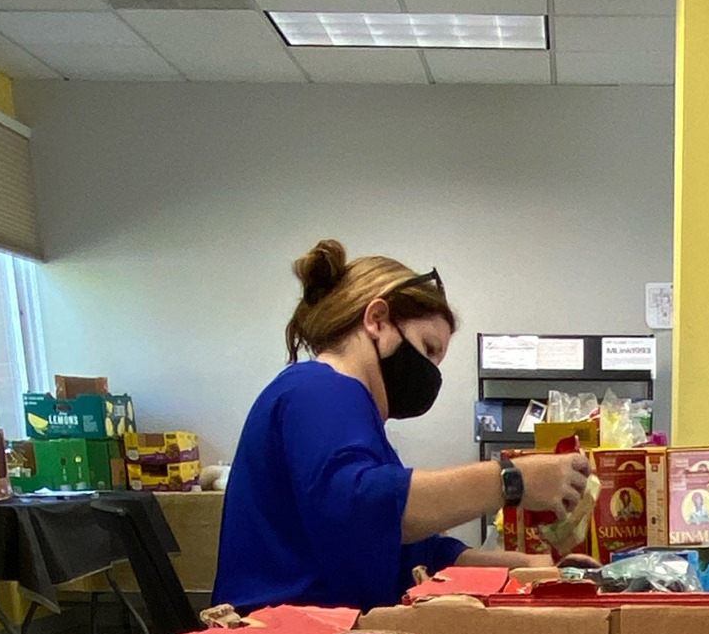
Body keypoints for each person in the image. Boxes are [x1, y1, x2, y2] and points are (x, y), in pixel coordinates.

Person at [213, 243, 590, 613]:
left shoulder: (349, 412)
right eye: (428, 349)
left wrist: (525, 567)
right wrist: (512, 481)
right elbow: (361, 509)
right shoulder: (317, 389)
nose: (430, 373)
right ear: (377, 320)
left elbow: (412, 550)